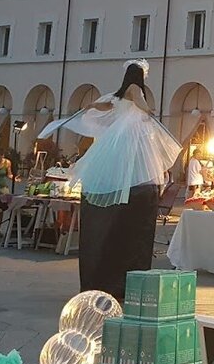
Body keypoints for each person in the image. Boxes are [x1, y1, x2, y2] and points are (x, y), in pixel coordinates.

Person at [52, 59, 182, 301]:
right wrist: (149, 111)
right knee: (137, 169)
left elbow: (100, 105)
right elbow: (141, 104)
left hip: (116, 145)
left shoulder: (116, 95)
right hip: (131, 143)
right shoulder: (134, 90)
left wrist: (89, 106)